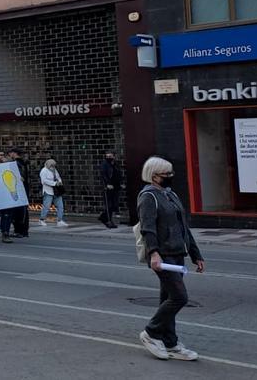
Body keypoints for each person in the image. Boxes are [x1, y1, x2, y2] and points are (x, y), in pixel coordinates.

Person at [137, 156, 204, 362]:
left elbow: (183, 227)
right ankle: (151, 332)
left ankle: (171, 342)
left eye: (170, 173)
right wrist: (154, 253)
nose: (170, 177)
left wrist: (195, 253)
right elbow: (147, 228)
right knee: (179, 297)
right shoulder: (148, 196)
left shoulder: (170, 194)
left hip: (177, 253)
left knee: (168, 298)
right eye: (167, 174)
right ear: (154, 176)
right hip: (162, 255)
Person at [38, 158, 67, 227]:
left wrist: (59, 182)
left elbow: (58, 177)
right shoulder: (44, 171)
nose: (53, 167)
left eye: (54, 165)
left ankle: (60, 220)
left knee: (60, 206)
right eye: (52, 165)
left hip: (56, 191)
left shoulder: (54, 170)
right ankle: (42, 219)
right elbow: (44, 181)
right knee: (46, 206)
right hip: (48, 191)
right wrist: (54, 183)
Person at [99, 152, 123, 228]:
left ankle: (103, 217)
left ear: (114, 156)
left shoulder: (115, 164)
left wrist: (121, 183)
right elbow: (103, 175)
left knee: (114, 205)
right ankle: (108, 221)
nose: (109, 157)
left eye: (110, 156)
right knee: (109, 205)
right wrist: (107, 184)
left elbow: (118, 174)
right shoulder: (104, 164)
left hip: (115, 187)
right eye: (107, 156)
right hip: (108, 187)